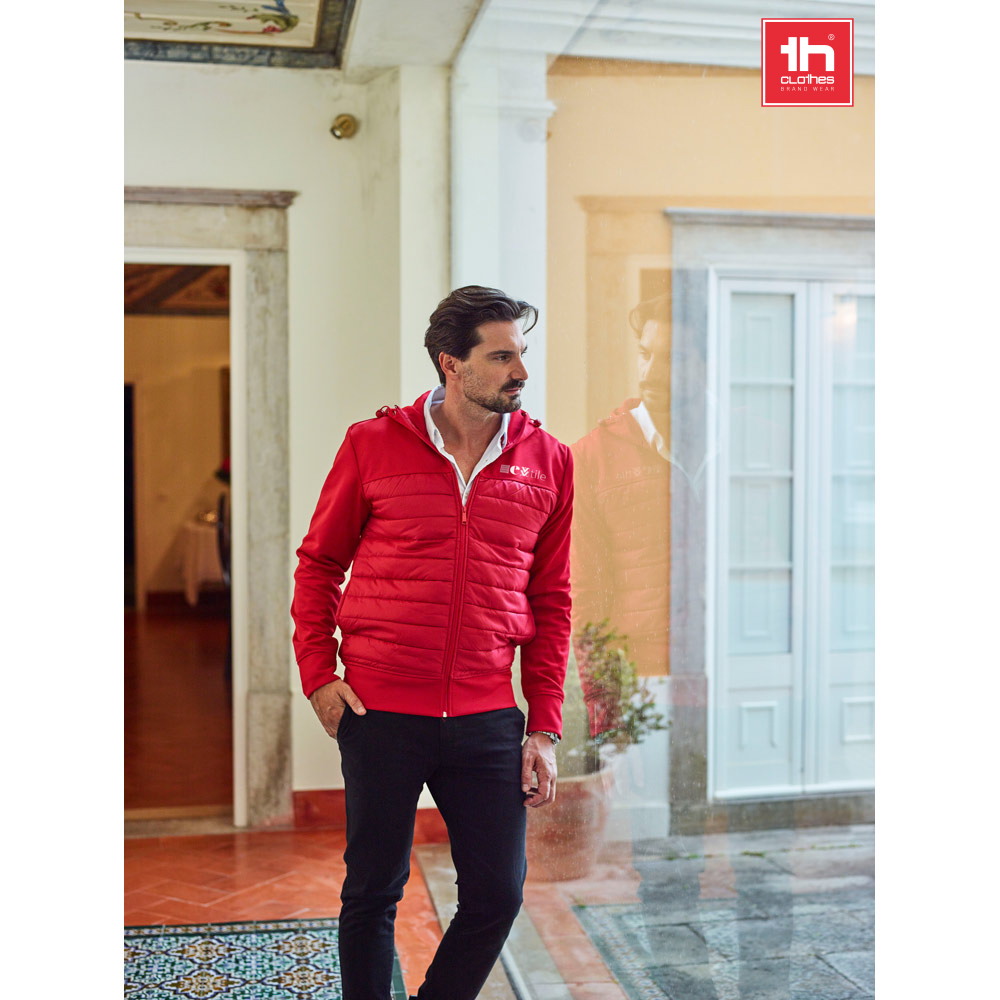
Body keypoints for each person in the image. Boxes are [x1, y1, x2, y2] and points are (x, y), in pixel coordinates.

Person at [290, 285, 574, 1000]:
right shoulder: (373, 445)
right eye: (501, 357)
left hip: (486, 717)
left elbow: (551, 600)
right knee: (372, 891)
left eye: (521, 354)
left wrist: (543, 727)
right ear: (452, 363)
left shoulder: (549, 461)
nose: (521, 372)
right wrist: (319, 675)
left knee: (497, 893)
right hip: (380, 712)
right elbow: (319, 563)